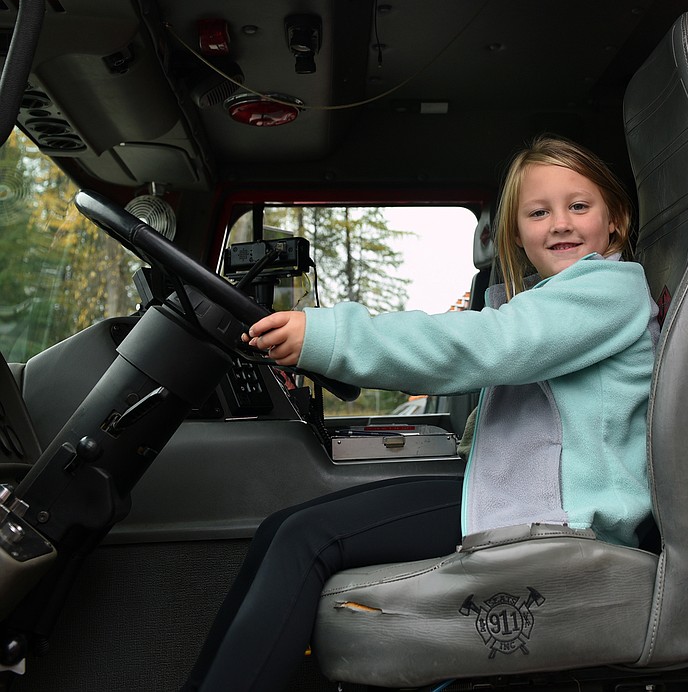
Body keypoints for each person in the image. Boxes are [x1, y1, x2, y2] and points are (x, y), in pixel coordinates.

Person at [182, 135, 658, 691]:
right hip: (521, 498)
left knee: (305, 540)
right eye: (538, 211)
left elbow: (487, 344)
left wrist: (331, 337)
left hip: (564, 521)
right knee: (286, 529)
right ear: (517, 233)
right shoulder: (552, 297)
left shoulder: (608, 289)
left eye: (579, 206)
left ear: (616, 219)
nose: (560, 223)